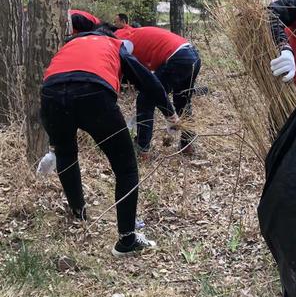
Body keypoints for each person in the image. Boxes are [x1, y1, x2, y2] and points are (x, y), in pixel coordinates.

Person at [40, 26, 179, 256]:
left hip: (51, 95)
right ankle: (127, 241)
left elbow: (58, 75)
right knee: (126, 168)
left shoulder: (69, 45)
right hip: (93, 94)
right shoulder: (114, 45)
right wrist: (171, 113)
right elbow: (148, 81)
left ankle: (78, 213)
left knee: (65, 154)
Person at [113, 25, 201, 156]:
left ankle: (142, 149)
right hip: (192, 55)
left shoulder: (118, 40)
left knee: (145, 99)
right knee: (182, 100)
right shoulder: (131, 34)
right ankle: (187, 144)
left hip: (176, 57)